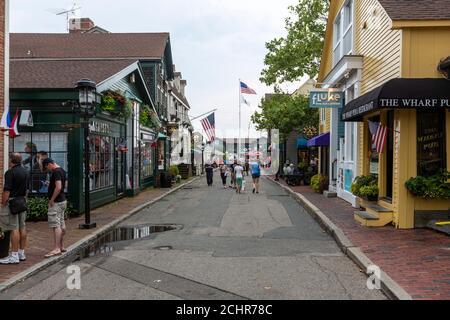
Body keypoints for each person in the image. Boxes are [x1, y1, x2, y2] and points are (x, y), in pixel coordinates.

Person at [0, 153, 29, 265]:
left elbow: (6, 190)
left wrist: (3, 203)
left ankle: (14, 255)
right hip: (22, 201)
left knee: (13, 228)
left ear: (11, 160)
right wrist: (23, 200)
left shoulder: (10, 172)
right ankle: (21, 253)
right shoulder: (25, 171)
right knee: (22, 226)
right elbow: (27, 190)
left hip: (12, 202)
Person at [42, 158, 67, 258]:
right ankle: (61, 246)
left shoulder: (56, 172)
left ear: (50, 164)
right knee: (61, 224)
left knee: (56, 225)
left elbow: (59, 187)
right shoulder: (62, 170)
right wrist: (50, 185)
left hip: (56, 202)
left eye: (46, 167)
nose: (47, 169)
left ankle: (56, 248)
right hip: (62, 200)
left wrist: (52, 199)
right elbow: (62, 185)